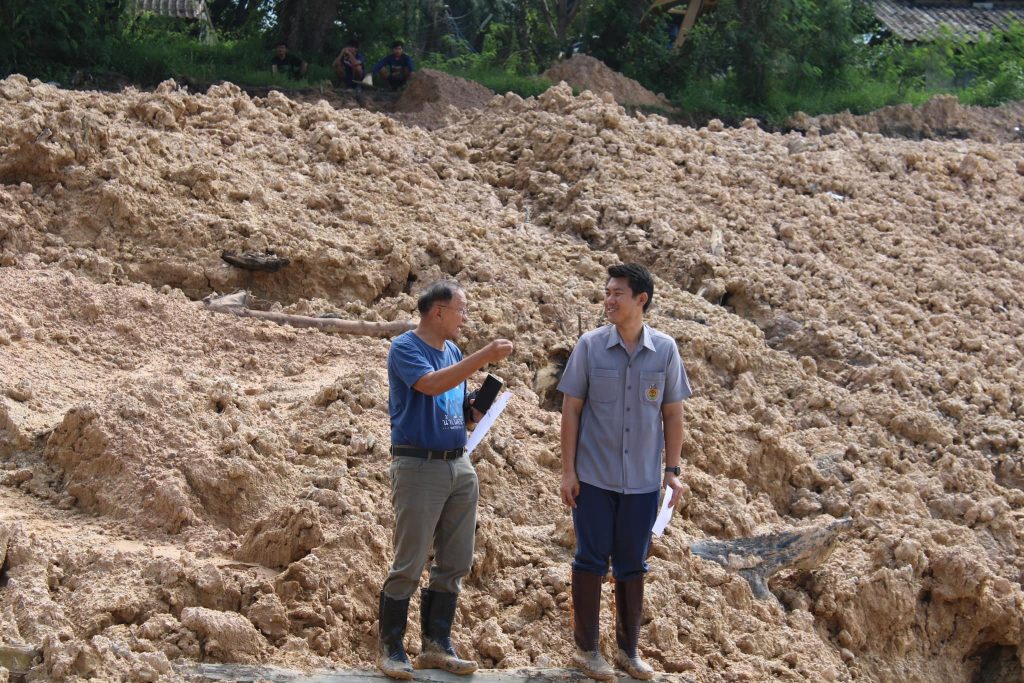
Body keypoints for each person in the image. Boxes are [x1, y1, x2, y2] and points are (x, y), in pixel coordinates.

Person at [558, 263, 692, 681]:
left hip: (642, 483)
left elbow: (673, 414)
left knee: (633, 564)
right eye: (607, 292)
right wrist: (568, 472)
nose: (609, 300)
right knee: (590, 559)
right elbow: (571, 410)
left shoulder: (665, 350)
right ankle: (586, 651)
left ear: (641, 300)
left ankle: (627, 652)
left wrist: (672, 470)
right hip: (594, 478)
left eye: (618, 293)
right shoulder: (590, 346)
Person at [378, 281, 514, 680]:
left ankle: (436, 644)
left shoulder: (452, 352)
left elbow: (452, 402)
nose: (464, 318)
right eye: (461, 310)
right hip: (419, 465)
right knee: (410, 560)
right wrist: (484, 355)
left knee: (455, 560)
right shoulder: (405, 348)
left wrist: (473, 410)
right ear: (438, 311)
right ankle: (391, 647)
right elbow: (432, 384)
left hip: (458, 461)